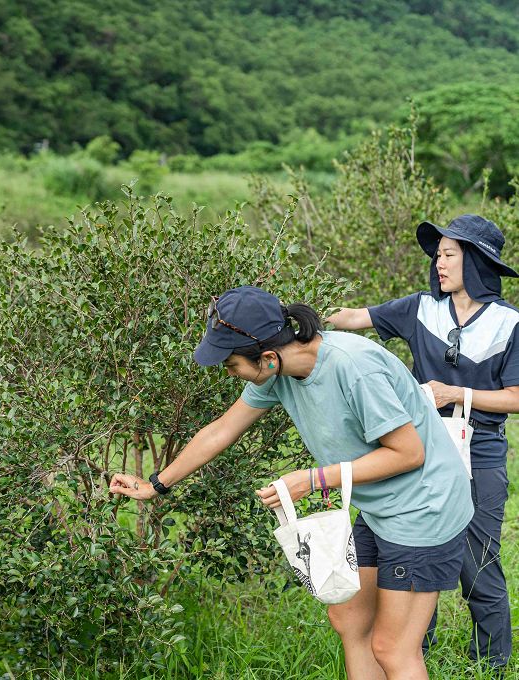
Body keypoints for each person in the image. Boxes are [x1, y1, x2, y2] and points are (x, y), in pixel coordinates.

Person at [110, 286, 473, 680]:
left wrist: (313, 480)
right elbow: (222, 431)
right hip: (382, 506)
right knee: (349, 619)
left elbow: (408, 453)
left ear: (267, 357)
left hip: (425, 506)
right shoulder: (278, 371)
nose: (229, 373)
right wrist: (156, 485)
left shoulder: (354, 366)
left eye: (231, 364)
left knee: (393, 646)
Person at [328, 214, 519, 672]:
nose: (439, 264)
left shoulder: (509, 323)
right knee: (409, 551)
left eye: (449, 255)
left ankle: (492, 665)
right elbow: (356, 318)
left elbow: (516, 396)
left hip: (480, 450)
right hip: (419, 452)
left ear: (475, 261)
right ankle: (411, 657)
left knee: (478, 562)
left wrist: (458, 394)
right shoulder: (421, 308)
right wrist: (290, 317)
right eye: (437, 256)